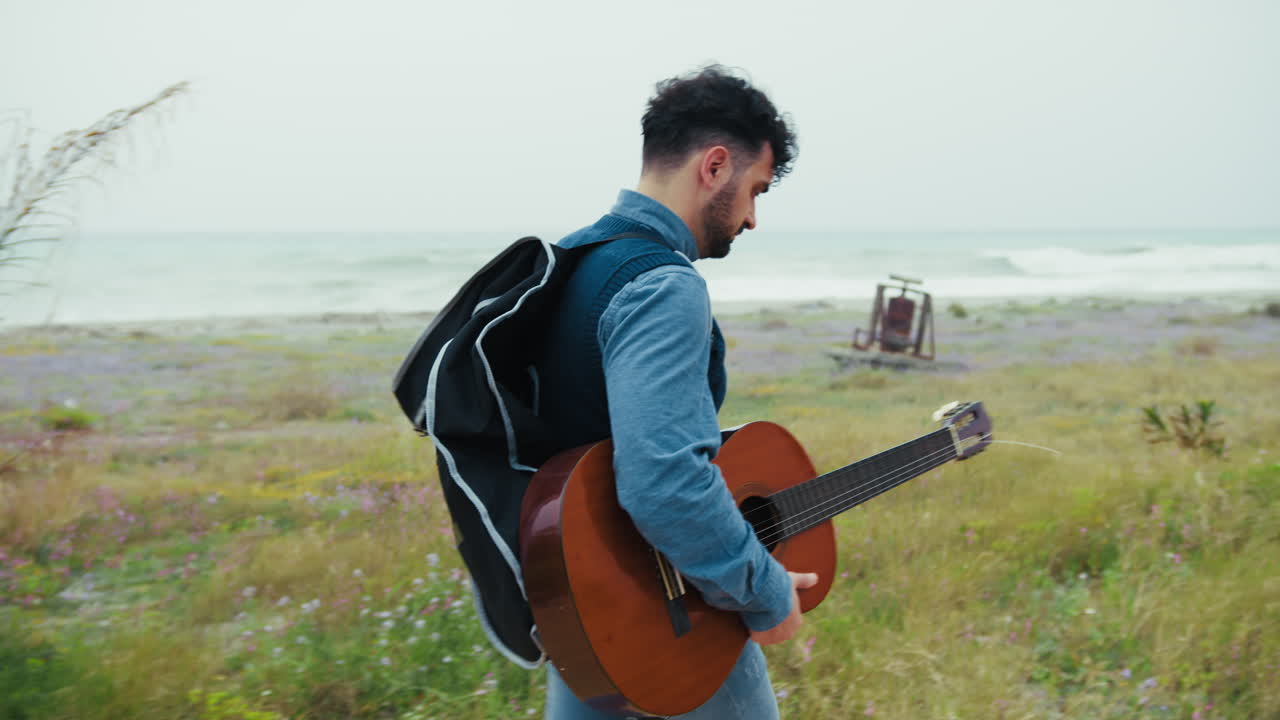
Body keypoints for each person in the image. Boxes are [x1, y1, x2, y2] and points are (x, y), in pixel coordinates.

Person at [534, 65, 816, 720]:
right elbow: (664, 482)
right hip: (676, 621)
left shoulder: (575, 260)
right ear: (714, 167)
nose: (751, 219)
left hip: (588, 611)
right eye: (755, 190)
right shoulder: (663, 285)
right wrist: (766, 591)